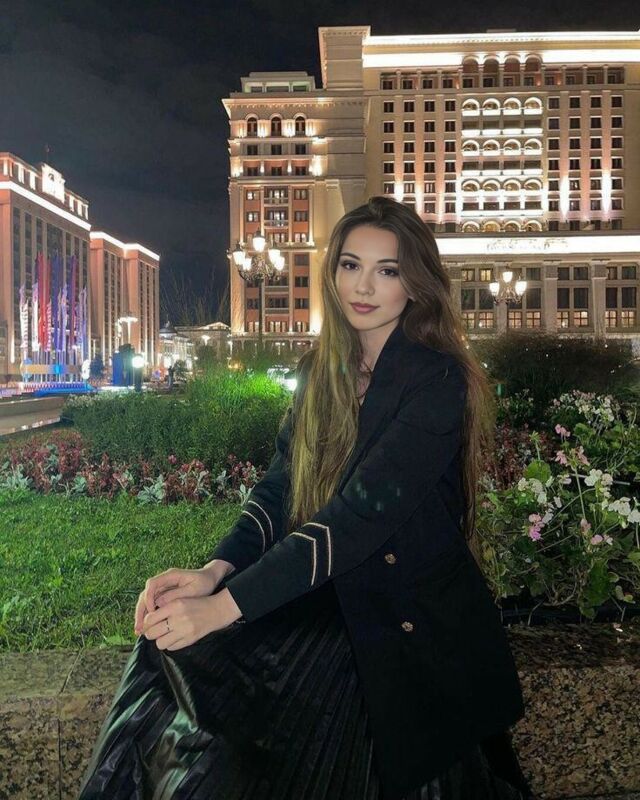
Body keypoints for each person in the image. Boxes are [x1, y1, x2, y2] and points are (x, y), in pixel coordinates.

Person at [78, 196, 536, 800]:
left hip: (407, 614)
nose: (363, 287)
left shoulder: (436, 379)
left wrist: (223, 608)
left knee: (222, 664)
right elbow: (280, 487)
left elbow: (358, 518)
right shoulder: (323, 368)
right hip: (334, 589)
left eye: (387, 270)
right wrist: (215, 571)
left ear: (415, 284)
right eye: (350, 265)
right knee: (163, 651)